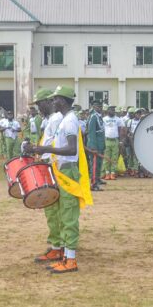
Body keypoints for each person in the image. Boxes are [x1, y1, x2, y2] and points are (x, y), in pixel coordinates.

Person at [25, 85, 93, 274]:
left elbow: (72, 149)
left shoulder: (69, 121)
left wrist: (45, 149)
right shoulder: (65, 119)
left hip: (68, 172)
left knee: (68, 215)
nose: (52, 101)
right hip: (61, 170)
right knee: (63, 213)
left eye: (55, 99)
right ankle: (64, 254)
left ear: (62, 101)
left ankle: (70, 260)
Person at [28, 88, 66, 262]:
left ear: (47, 102)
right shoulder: (51, 119)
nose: (38, 108)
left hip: (54, 166)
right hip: (50, 165)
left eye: (39, 104)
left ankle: (58, 246)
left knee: (53, 208)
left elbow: (57, 144)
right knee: (52, 208)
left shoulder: (56, 119)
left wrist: (39, 151)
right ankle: (59, 244)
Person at [86, 99, 105, 191]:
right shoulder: (93, 117)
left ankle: (97, 179)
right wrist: (93, 147)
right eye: (98, 106)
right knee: (94, 165)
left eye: (100, 106)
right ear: (93, 107)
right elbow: (91, 132)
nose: (100, 108)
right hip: (95, 145)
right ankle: (93, 184)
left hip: (100, 145)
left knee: (99, 164)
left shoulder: (99, 116)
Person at [102, 105, 125, 180]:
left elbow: (120, 130)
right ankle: (107, 173)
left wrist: (120, 141)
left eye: (114, 110)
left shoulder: (118, 119)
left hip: (115, 140)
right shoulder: (104, 119)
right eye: (111, 110)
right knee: (106, 157)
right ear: (108, 110)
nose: (113, 111)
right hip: (107, 140)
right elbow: (102, 130)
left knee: (114, 157)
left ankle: (112, 173)